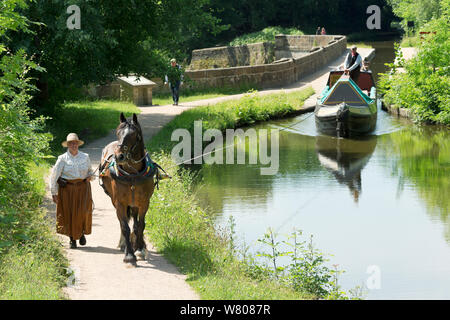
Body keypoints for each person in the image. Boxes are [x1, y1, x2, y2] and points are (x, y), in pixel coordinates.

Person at [50, 133, 94, 249]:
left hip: (83, 188)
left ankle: (82, 233)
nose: (73, 145)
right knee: (69, 213)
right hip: (67, 190)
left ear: (78, 144)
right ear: (68, 145)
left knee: (83, 212)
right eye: (71, 143)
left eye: (75, 143)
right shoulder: (62, 159)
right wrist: (54, 192)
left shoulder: (85, 157)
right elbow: (54, 176)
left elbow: (90, 171)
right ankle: (72, 239)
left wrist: (91, 176)